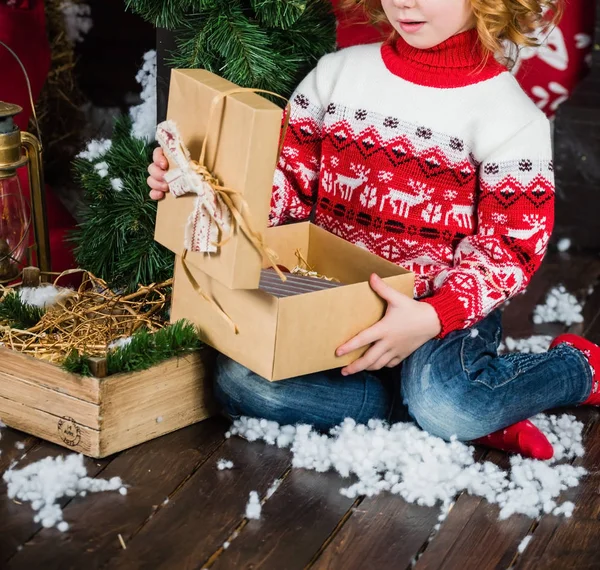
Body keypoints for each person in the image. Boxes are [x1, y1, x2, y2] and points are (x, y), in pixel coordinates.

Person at [147, 0, 599, 460]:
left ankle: (574, 368)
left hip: (437, 311)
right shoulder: (337, 75)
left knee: (449, 405)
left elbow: (510, 251)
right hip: (331, 298)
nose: (406, 2)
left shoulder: (510, 116)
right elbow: (286, 186)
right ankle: (445, 414)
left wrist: (433, 315)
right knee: (241, 383)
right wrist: (196, 186)